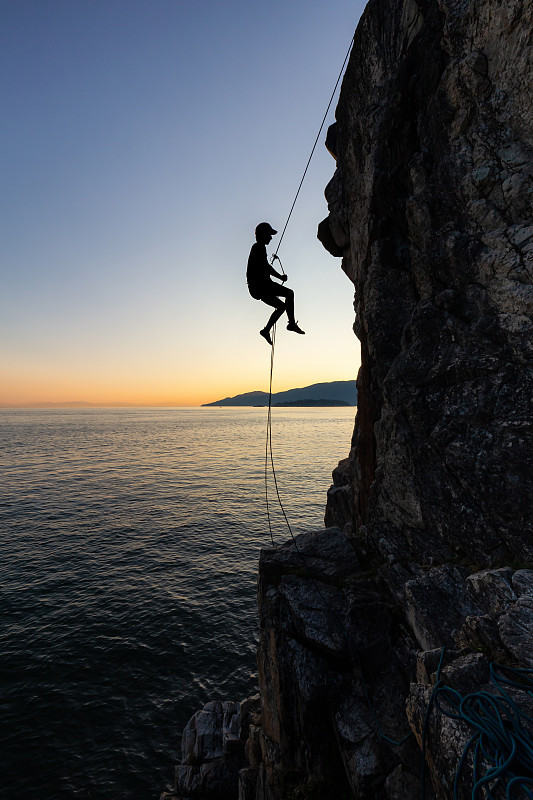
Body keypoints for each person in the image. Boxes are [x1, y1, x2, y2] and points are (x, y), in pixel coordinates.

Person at [246, 222, 305, 345]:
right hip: (261, 286)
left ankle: (266, 330)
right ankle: (292, 324)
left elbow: (264, 267)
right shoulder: (258, 247)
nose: (271, 238)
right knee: (289, 293)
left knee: (282, 307)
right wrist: (280, 277)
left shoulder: (259, 248)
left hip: (257, 288)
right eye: (269, 234)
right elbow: (265, 267)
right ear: (263, 234)